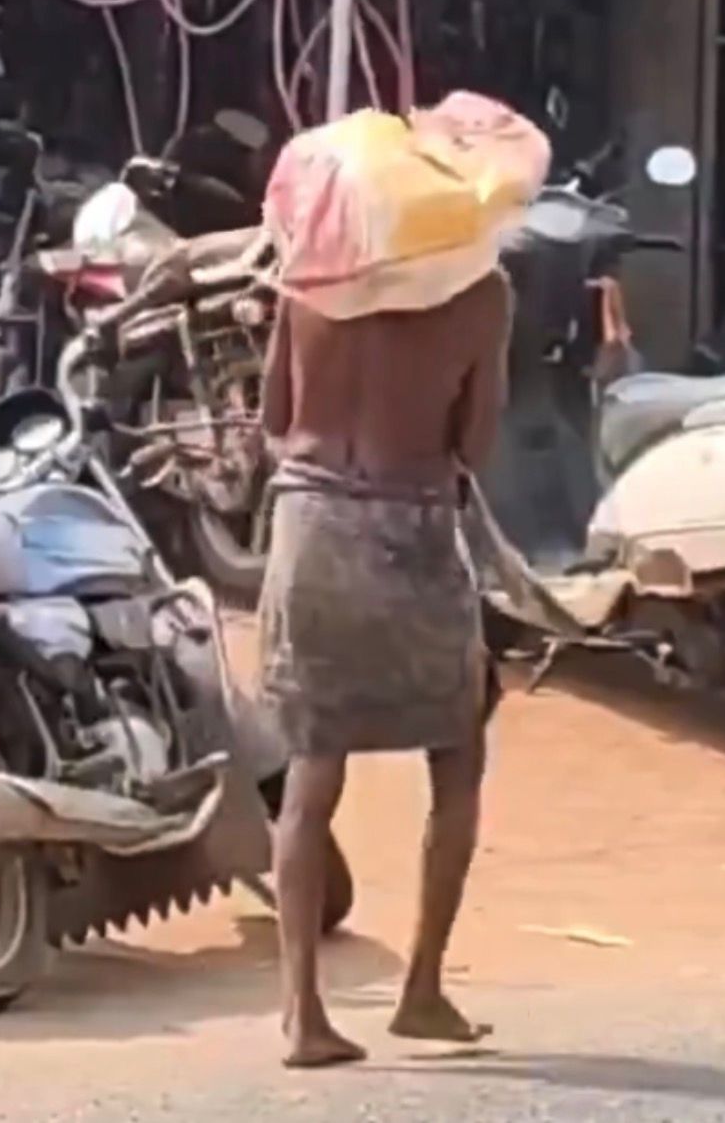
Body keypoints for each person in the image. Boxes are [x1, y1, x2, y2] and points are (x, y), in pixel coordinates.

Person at [258, 269, 512, 1068]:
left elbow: (274, 416)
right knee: (458, 754)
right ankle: (423, 991)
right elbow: (475, 444)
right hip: (415, 528)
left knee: (311, 773)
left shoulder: (310, 273)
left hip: (309, 525)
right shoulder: (477, 288)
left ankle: (303, 1015)